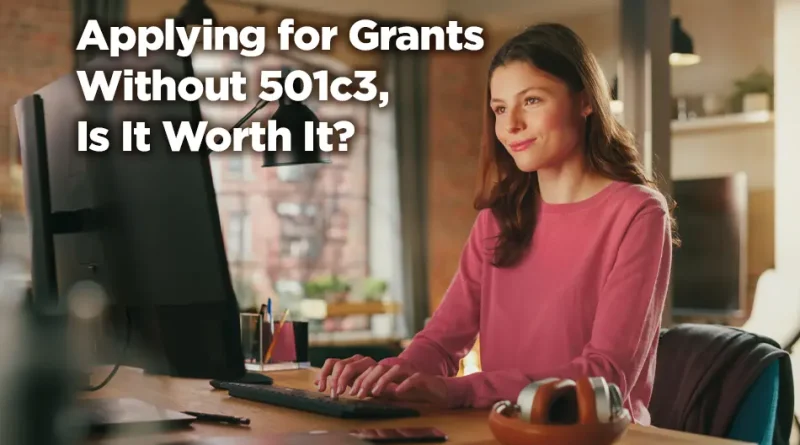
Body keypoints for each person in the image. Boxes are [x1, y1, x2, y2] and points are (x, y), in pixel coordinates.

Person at [314, 22, 677, 426]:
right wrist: (391, 377)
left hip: (594, 436)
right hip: (503, 431)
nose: (511, 125)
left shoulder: (638, 212)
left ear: (586, 101)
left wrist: (460, 390)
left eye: (533, 101)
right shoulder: (499, 218)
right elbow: (440, 342)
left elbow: (604, 377)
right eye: (500, 108)